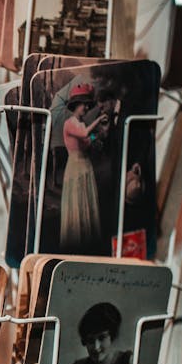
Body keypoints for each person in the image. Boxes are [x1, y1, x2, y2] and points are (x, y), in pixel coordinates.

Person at [59, 81, 108, 252]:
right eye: (84, 106)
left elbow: (86, 141)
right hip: (75, 164)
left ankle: (87, 241)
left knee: (86, 198)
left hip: (85, 164)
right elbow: (84, 134)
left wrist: (98, 136)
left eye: (87, 106)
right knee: (76, 199)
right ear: (76, 106)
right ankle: (75, 241)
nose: (86, 109)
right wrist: (98, 121)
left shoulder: (80, 123)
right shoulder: (70, 123)